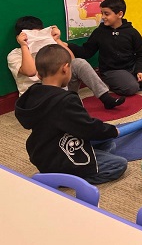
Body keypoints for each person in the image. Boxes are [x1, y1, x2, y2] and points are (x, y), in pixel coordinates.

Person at [14, 44, 127, 184]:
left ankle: (73, 168)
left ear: (38, 74)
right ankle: (67, 178)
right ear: (65, 68)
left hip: (42, 153)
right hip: (60, 157)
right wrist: (112, 130)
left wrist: (107, 133)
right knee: (119, 164)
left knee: (109, 143)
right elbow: (87, 127)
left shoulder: (33, 94)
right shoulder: (64, 101)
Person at [7, 16, 125, 109]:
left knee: (79, 62)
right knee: (69, 108)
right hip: (36, 99)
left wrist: (56, 39)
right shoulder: (14, 55)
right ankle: (68, 106)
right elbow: (31, 72)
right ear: (19, 37)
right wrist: (24, 46)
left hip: (60, 89)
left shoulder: (49, 48)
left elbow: (71, 61)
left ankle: (105, 98)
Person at [68, 0, 142, 96]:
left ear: (120, 14)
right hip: (112, 71)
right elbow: (86, 52)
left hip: (132, 67)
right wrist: (67, 45)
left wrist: (140, 70)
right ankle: (120, 82)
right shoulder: (99, 32)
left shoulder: (131, 32)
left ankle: (130, 79)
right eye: (102, 13)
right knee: (132, 87)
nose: (103, 17)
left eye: (106, 14)